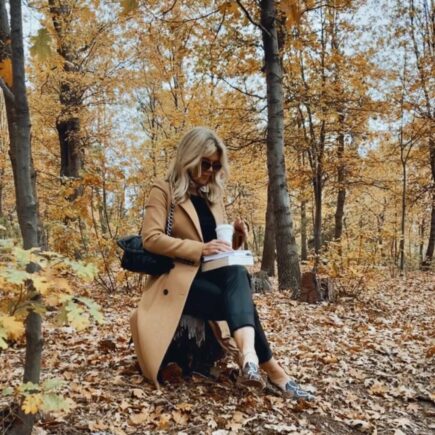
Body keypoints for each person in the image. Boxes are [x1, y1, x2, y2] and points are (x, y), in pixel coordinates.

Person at [129, 127, 314, 401]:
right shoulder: (163, 190)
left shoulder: (212, 197)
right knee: (242, 303)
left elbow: (219, 249)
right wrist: (200, 249)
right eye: (205, 164)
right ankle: (274, 372)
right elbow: (151, 239)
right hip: (177, 282)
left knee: (237, 274)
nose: (210, 172)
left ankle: (251, 359)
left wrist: (238, 238)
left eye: (216, 166)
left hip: (211, 277)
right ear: (189, 158)